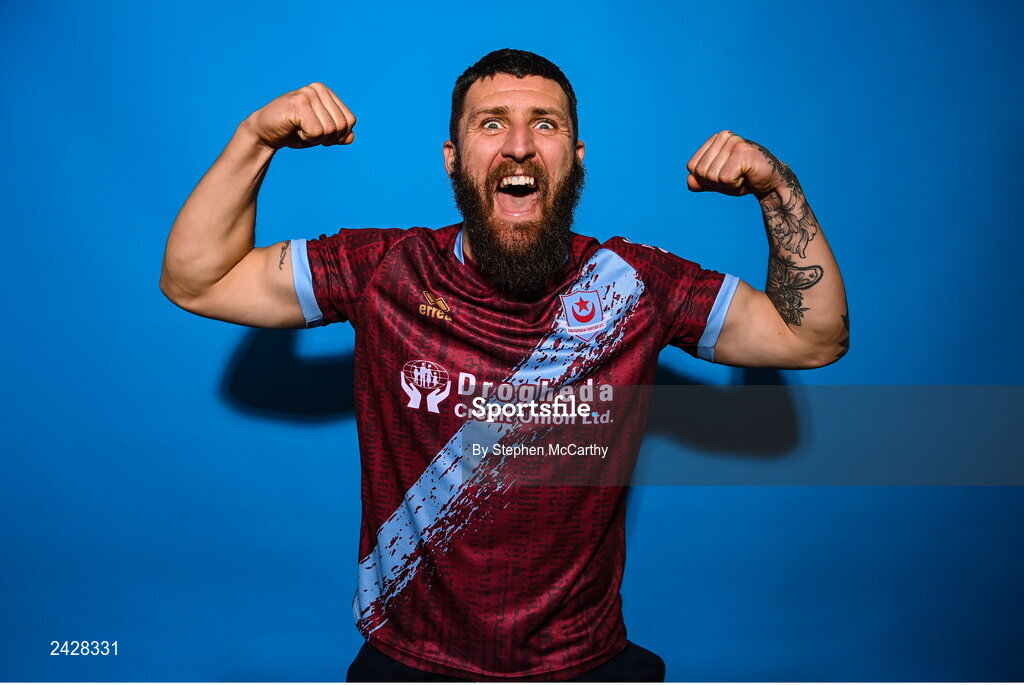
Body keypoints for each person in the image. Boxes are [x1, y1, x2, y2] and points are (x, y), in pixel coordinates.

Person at [161, 49, 849, 681]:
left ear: (575, 158)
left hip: (583, 662)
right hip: (409, 660)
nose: (519, 145)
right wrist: (257, 138)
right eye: (492, 124)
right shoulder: (389, 270)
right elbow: (199, 279)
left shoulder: (631, 285)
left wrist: (774, 185)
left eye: (543, 124)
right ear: (453, 159)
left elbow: (810, 336)